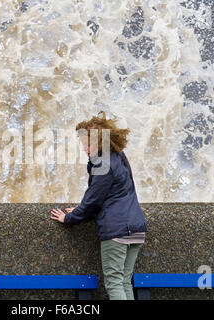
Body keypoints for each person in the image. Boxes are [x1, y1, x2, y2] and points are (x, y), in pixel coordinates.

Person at [50, 111, 148, 300]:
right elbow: (111, 195)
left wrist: (69, 218)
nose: (85, 148)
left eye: (89, 143)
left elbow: (93, 200)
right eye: (83, 144)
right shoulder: (119, 156)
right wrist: (81, 211)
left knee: (113, 282)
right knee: (125, 281)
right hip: (136, 227)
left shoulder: (102, 163)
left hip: (117, 231)